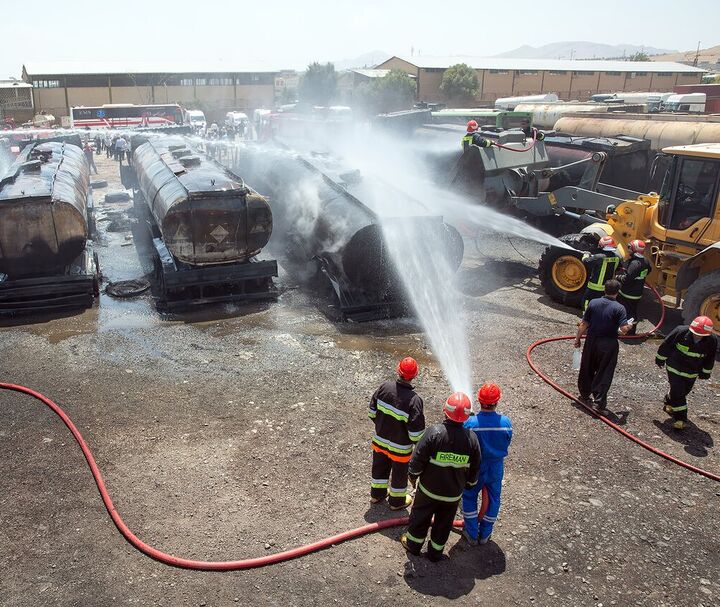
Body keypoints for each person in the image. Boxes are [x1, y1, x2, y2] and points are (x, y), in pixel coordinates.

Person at [401, 392, 480, 562]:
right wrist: (470, 484)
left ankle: (413, 546)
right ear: (466, 417)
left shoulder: (433, 433)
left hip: (428, 491)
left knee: (420, 517)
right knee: (444, 524)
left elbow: (417, 460)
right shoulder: (472, 440)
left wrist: (413, 477)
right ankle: (435, 553)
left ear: (445, 411)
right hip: (452, 495)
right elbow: (475, 468)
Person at [368, 357, 425, 510]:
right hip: (400, 449)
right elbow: (416, 435)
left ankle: (376, 494)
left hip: (380, 441)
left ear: (398, 371)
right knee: (399, 475)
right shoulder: (414, 400)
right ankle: (396, 502)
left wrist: (382, 427)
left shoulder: (384, 387)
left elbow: (371, 412)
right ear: (414, 376)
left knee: (379, 467)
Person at [461, 383, 512, 546]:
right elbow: (507, 441)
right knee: (493, 498)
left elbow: (465, 443)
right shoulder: (505, 422)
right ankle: (485, 534)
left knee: (469, 496)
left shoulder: (470, 423)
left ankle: (471, 532)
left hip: (476, 467)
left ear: (479, 400)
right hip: (496, 467)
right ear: (497, 401)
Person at [575, 279, 632, 413]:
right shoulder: (619, 308)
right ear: (618, 292)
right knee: (604, 372)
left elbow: (584, 324)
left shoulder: (594, 303)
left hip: (591, 340)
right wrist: (630, 325)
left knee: (587, 366)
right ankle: (598, 404)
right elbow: (623, 329)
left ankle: (584, 393)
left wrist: (577, 339)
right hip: (608, 343)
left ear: (604, 289)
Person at [656, 316, 717, 430]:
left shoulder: (711, 340)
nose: (697, 336)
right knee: (678, 392)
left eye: (700, 335)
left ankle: (668, 401)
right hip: (674, 367)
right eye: (695, 333)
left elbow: (710, 358)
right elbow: (666, 344)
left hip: (692, 372)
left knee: (683, 392)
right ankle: (681, 419)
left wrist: (705, 372)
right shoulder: (680, 331)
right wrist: (660, 359)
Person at [617, 239, 652, 335]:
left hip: (628, 293)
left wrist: (618, 277)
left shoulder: (634, 263)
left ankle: (625, 331)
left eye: (629, 247)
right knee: (632, 313)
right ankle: (631, 331)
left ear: (634, 249)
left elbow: (627, 279)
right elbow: (649, 271)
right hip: (637, 293)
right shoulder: (645, 261)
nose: (628, 250)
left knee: (626, 312)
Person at [581, 235, 621, 311]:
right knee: (600, 306)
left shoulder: (599, 257)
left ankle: (586, 317)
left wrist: (586, 254)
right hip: (606, 288)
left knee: (586, 303)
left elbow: (586, 261)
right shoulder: (616, 257)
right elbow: (618, 267)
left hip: (594, 287)